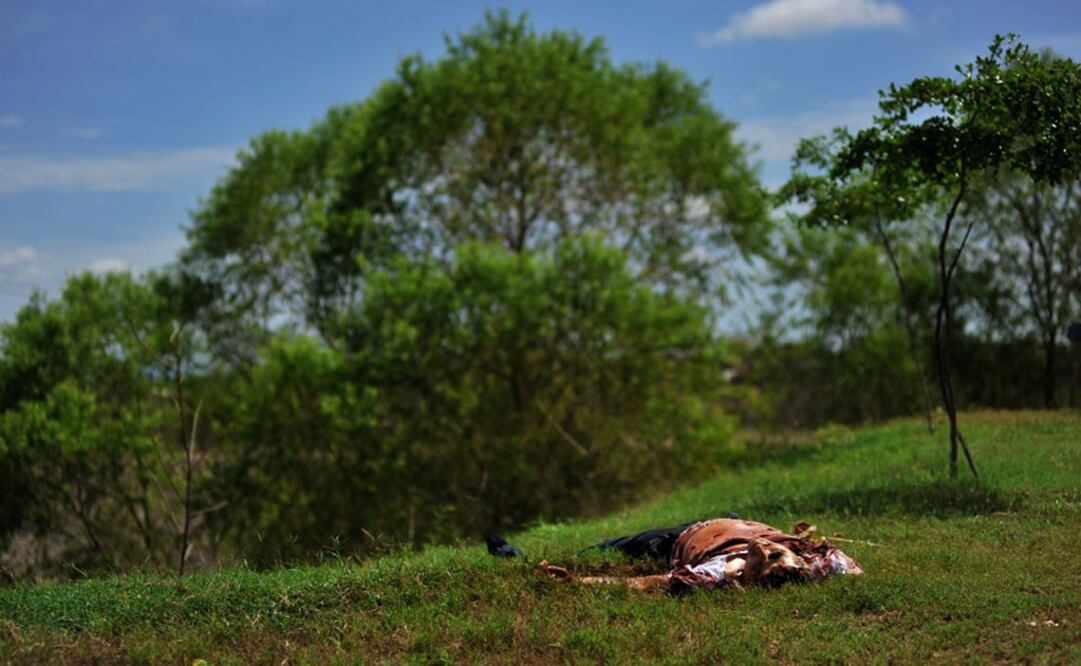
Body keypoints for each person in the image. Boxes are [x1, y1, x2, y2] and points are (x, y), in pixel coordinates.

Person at [538, 518, 863, 593]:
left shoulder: (718, 572)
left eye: (762, 560)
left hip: (674, 539)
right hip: (730, 518)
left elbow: (646, 583)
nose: (763, 549)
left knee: (610, 547)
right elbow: (854, 570)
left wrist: (579, 581)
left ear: (748, 576)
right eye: (777, 552)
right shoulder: (817, 561)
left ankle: (514, 553)